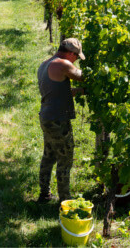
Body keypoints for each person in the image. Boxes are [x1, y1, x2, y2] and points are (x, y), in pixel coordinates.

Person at [36, 38, 85, 203]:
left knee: (49, 155)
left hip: (47, 117)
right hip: (58, 120)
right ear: (71, 53)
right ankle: (66, 201)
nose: (76, 61)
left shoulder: (46, 64)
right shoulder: (63, 64)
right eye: (77, 57)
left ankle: (44, 193)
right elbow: (83, 76)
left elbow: (60, 91)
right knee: (65, 159)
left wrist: (82, 92)